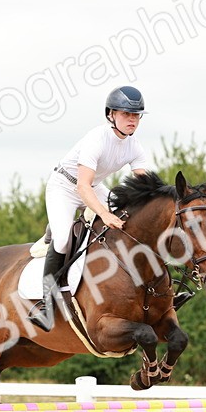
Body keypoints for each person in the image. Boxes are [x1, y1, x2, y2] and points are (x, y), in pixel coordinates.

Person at [28, 85, 152, 331]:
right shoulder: (97, 138)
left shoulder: (134, 147)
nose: (132, 120)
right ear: (111, 115)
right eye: (126, 114)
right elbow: (82, 187)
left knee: (130, 220)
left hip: (93, 187)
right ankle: (46, 304)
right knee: (63, 240)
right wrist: (105, 214)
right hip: (65, 186)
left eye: (136, 115)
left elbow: (145, 187)